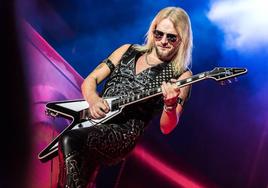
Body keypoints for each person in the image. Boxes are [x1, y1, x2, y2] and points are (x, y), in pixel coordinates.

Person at [57, 6, 193, 188]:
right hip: (93, 121)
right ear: (152, 31)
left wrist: (169, 105)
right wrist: (94, 100)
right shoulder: (127, 50)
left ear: (181, 40)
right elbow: (90, 80)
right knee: (75, 169)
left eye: (171, 37)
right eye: (159, 34)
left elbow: (167, 127)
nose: (163, 41)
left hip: (122, 134)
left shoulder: (181, 75)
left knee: (70, 139)